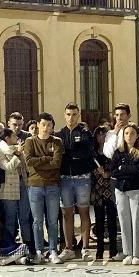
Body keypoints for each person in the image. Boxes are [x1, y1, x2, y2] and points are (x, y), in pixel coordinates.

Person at [21, 113, 64, 264]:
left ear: (52, 127)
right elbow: (29, 162)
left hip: (52, 185)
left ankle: (53, 250)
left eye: (49, 125)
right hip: (35, 186)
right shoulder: (29, 141)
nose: (46, 128)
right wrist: (46, 158)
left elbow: (56, 163)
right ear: (38, 125)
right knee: (37, 221)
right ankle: (39, 251)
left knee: (52, 220)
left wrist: (39, 162)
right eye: (43, 124)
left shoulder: (57, 142)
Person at [57, 104, 97, 261]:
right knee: (66, 213)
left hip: (83, 178)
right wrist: (74, 152)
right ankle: (69, 248)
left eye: (74, 114)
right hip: (65, 178)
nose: (71, 117)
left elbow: (88, 152)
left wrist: (72, 152)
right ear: (64, 115)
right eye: (68, 114)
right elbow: (60, 154)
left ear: (78, 115)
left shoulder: (85, 133)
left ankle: (86, 248)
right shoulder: (59, 134)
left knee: (84, 211)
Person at [112, 123, 139, 265]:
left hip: (137, 190)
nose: (129, 136)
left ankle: (137, 253)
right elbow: (114, 172)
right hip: (121, 190)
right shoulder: (118, 152)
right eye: (126, 133)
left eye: (132, 133)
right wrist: (129, 170)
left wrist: (123, 168)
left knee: (137, 221)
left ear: (137, 136)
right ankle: (127, 252)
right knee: (124, 221)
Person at [90, 125, 120, 263]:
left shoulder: (112, 151)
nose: (101, 137)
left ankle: (113, 250)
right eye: (99, 134)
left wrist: (108, 173)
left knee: (112, 221)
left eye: (104, 134)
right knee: (99, 221)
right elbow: (90, 169)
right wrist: (97, 172)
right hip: (98, 190)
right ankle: (99, 250)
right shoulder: (93, 153)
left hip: (111, 189)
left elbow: (116, 167)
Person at [0, 128, 24, 253]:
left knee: (24, 218)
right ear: (7, 138)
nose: (17, 138)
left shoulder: (18, 149)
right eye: (14, 136)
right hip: (8, 188)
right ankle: (9, 246)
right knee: (10, 219)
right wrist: (17, 155)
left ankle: (26, 244)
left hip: (23, 185)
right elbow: (8, 167)